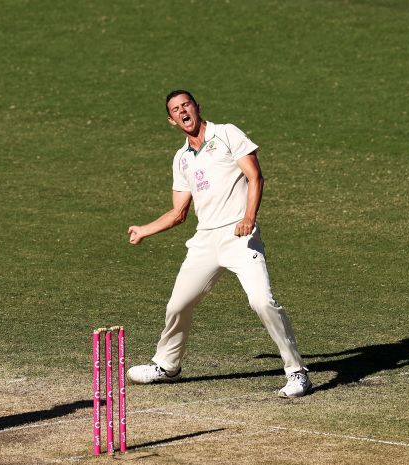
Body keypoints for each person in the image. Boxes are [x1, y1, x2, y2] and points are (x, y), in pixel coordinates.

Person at [125, 90, 311, 398]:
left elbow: (255, 176)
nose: (182, 111)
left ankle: (297, 372)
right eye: (175, 109)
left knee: (261, 301)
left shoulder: (226, 134)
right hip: (205, 239)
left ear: (197, 107)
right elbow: (178, 213)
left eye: (186, 104)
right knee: (178, 305)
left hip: (240, 235)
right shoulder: (182, 159)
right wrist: (145, 230)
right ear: (171, 121)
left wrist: (249, 217)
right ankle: (167, 366)